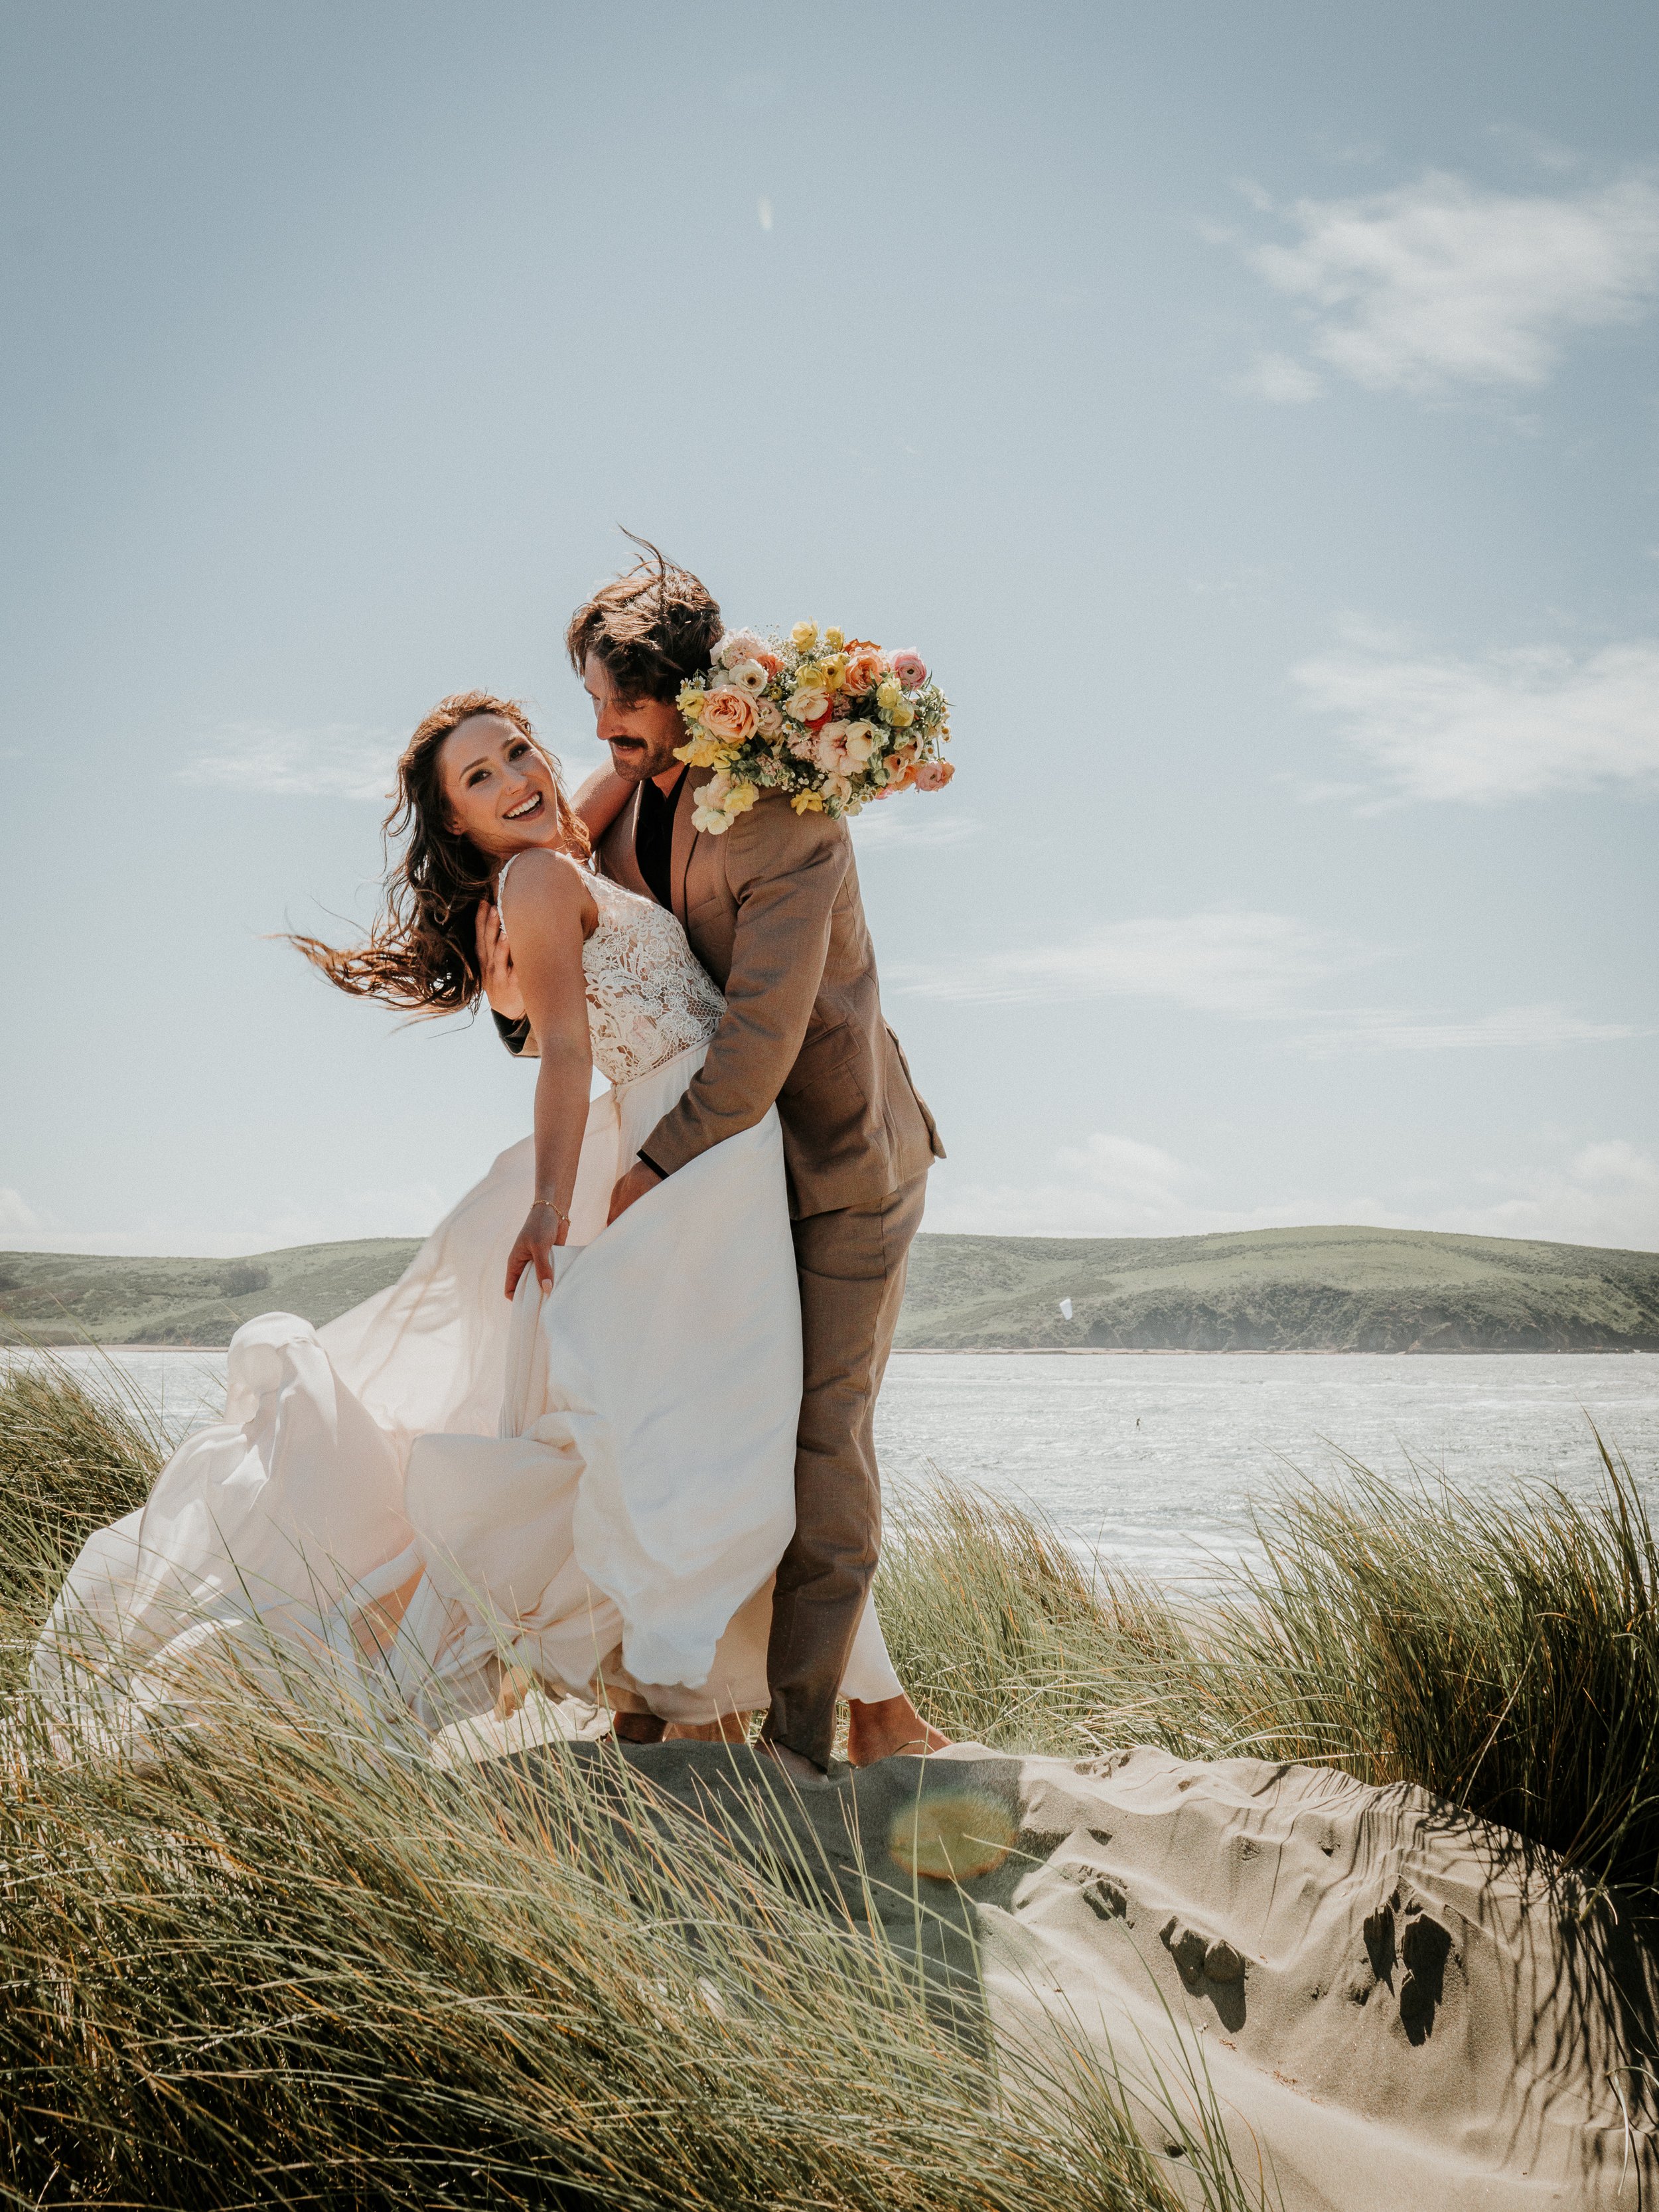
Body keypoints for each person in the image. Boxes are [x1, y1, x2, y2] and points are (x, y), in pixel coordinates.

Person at [33, 688, 942, 1768]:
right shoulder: (537, 876)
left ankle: (739, 1702)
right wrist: (553, 1205)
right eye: (480, 778)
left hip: (719, 1152)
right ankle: (723, 1703)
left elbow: (621, 768)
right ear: (456, 825)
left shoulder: (564, 845)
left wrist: (776, 718)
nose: (515, 777)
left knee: (730, 1432)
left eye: (516, 750)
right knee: (726, 1435)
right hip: (682, 1155)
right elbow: (562, 1049)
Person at [478, 548, 946, 1775]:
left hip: (837, 1162)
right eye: (589, 706)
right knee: (695, 1428)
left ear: (695, 691)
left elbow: (759, 1039)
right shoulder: (621, 792)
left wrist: (647, 1175)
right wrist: (503, 973)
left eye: (619, 707)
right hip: (720, 1189)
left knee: (819, 1438)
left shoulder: (795, 816)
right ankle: (683, 1698)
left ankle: (799, 1748)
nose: (600, 731)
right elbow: (544, 925)